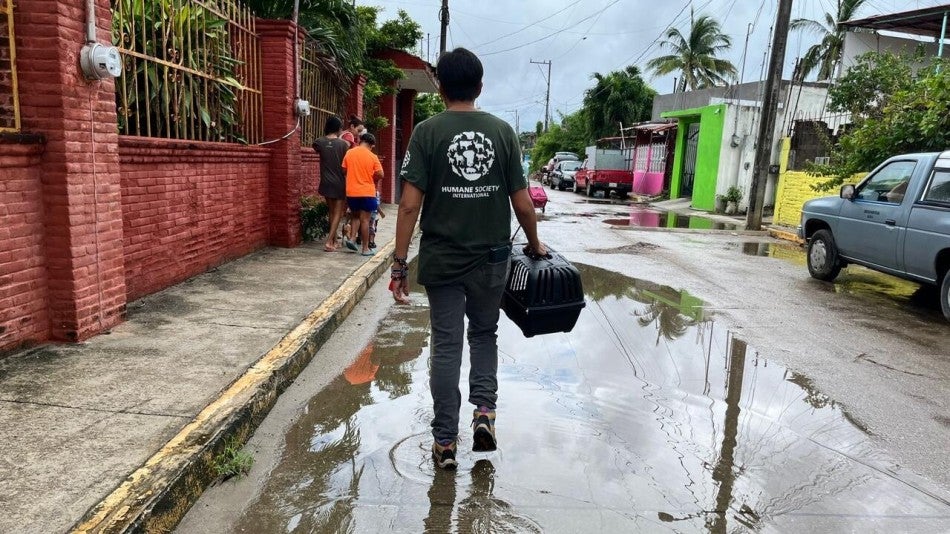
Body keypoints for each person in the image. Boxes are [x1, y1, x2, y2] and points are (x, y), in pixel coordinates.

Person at [390, 47, 546, 469]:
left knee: (446, 346)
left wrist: (399, 263)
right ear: (480, 87)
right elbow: (524, 203)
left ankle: (444, 443)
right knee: (483, 335)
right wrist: (535, 243)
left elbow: (408, 207)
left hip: (442, 260)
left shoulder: (426, 133)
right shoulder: (502, 133)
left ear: (439, 87)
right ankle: (484, 414)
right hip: (492, 260)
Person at [342, 132, 384, 256]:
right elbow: (381, 174)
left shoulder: (349, 153)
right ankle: (365, 249)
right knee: (365, 220)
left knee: (355, 217)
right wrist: (372, 177)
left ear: (361, 141)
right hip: (367, 192)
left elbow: (343, 170)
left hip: (351, 192)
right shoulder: (372, 156)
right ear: (372, 145)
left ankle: (352, 239)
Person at [312, 116, 349, 252]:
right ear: (338, 129)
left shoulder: (319, 142)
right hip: (339, 182)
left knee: (331, 212)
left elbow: (317, 148)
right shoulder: (344, 144)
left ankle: (333, 241)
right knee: (338, 213)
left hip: (326, 181)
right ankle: (329, 242)